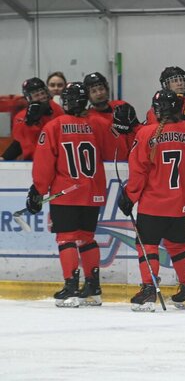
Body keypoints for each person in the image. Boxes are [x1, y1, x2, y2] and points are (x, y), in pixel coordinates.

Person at [118, 89, 185, 312]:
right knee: (179, 247)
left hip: (154, 203)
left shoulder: (147, 133)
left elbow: (139, 172)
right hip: (181, 203)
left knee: (147, 246)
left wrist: (129, 195)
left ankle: (149, 289)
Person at [26, 82, 126, 307]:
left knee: (66, 238)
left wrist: (38, 191)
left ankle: (71, 288)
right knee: (87, 238)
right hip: (93, 193)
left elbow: (44, 164)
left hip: (66, 193)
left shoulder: (55, 126)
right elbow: (116, 150)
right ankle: (93, 288)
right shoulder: (99, 124)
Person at [9, 77, 64, 161]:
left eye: (42, 93)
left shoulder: (57, 109)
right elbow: (18, 141)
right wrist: (30, 123)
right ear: (28, 98)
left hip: (56, 158)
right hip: (32, 160)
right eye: (36, 95)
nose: (41, 97)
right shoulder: (21, 117)